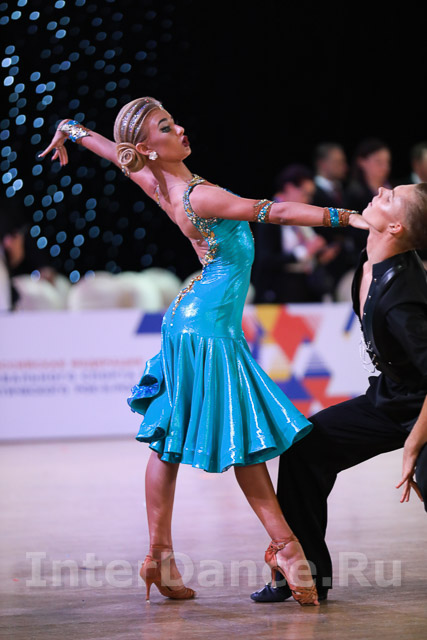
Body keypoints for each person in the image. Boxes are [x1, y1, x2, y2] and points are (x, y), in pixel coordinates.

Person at [40, 97, 364, 606]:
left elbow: (112, 151)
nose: (180, 129)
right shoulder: (202, 195)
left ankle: (159, 557)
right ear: (148, 148)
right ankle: (286, 548)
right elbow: (276, 211)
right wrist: (350, 217)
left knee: (168, 441)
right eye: (166, 127)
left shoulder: (157, 184)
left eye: (173, 121)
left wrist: (70, 129)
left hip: (189, 321)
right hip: (208, 328)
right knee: (240, 437)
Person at [251, 181, 427, 604]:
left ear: (396, 227)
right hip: (392, 400)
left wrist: (414, 445)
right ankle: (304, 574)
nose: (380, 189)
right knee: (306, 447)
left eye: (390, 197)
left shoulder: (404, 298)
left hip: (422, 408)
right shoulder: (369, 262)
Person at [253, 164, 340, 302]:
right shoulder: (269, 215)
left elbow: (309, 256)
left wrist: (319, 256)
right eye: (305, 194)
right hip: (277, 292)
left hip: (305, 287)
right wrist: (304, 252)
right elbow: (265, 260)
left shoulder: (301, 218)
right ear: (289, 188)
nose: (309, 200)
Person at [312, 143, 348, 209]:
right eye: (338, 162)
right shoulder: (312, 193)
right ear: (323, 164)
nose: (345, 166)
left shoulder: (342, 190)